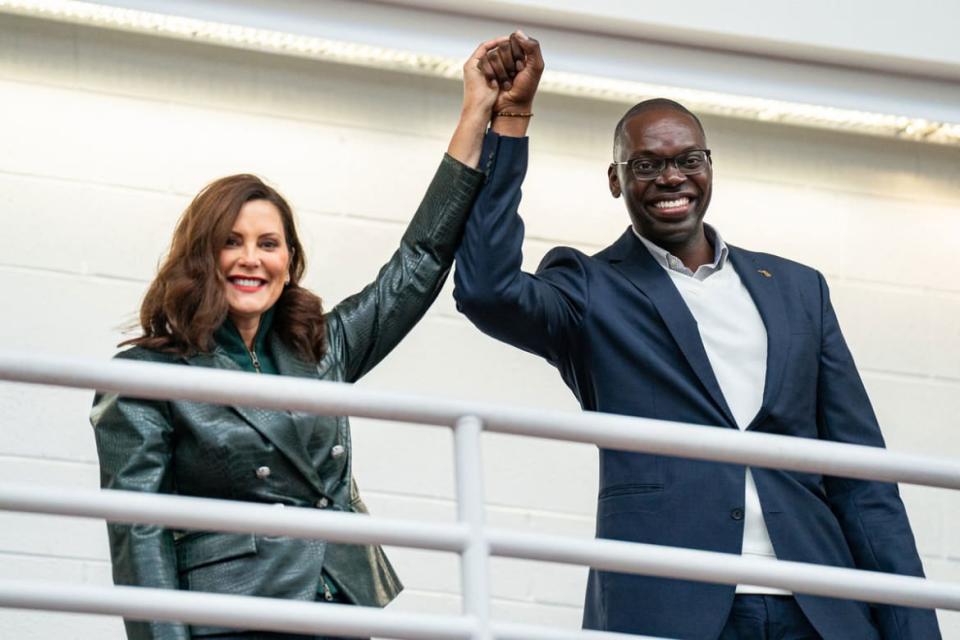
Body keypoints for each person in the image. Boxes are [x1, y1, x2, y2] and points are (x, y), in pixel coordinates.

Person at [455, 32, 941, 639]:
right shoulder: (588, 288)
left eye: (688, 160)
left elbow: (862, 477)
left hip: (819, 603)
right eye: (647, 165)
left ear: (709, 168)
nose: (671, 178)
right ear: (615, 180)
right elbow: (484, 290)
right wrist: (509, 121)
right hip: (669, 603)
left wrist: (914, 630)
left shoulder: (798, 290)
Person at [90, 39, 508, 640]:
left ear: (290, 259)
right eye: (231, 241)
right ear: (201, 255)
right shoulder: (144, 376)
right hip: (234, 620)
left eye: (268, 243)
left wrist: (476, 114)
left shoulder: (323, 349)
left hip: (338, 605)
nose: (250, 259)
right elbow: (139, 538)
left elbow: (418, 262)